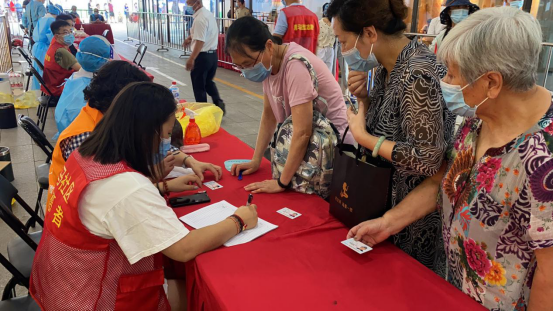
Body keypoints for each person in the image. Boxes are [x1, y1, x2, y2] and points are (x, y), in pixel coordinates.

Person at [349, 7, 553, 311]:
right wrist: (388, 223)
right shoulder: (480, 117)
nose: (444, 81)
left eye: (453, 74)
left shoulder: (542, 159)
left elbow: (549, 275)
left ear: (492, 84)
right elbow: (444, 178)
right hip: (458, 291)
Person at [31, 81, 259, 311]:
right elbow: (183, 249)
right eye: (168, 133)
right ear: (148, 130)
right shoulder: (127, 187)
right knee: (184, 277)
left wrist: (160, 187)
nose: (168, 143)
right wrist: (239, 220)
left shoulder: (87, 153)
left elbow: (108, 207)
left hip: (66, 280)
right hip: (92, 297)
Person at [328, 0, 456, 275]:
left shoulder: (417, 73)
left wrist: (364, 138)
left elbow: (428, 158)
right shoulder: (389, 65)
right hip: (385, 205)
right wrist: (365, 100)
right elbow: (393, 125)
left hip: (411, 217)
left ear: (370, 33)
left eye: (345, 41)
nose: (345, 50)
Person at [226, 17, 353, 195]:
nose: (246, 71)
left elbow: (302, 132)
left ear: (269, 46)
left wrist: (281, 183)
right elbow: (269, 115)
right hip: (311, 150)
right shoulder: (269, 65)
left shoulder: (295, 66)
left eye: (248, 64)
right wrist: (256, 159)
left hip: (334, 150)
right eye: (240, 66)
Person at [54, 35, 112, 136]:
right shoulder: (95, 88)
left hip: (66, 131)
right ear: (102, 60)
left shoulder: (76, 77)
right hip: (82, 137)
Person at [184, 0, 226, 114]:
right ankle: (218, 102)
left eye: (189, 3)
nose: (188, 6)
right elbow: (204, 34)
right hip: (212, 56)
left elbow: (200, 41)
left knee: (199, 87)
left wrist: (192, 58)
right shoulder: (208, 14)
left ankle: (203, 112)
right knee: (208, 82)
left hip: (202, 57)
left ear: (197, 3)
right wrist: (190, 38)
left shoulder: (200, 19)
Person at [42, 20, 81, 97]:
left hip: (52, 84)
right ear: (56, 36)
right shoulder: (61, 51)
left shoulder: (54, 45)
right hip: (59, 87)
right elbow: (81, 69)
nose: (70, 35)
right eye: (66, 33)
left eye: (70, 31)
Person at [30, 3, 63, 90]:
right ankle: (45, 89)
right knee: (44, 71)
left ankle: (38, 89)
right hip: (44, 48)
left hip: (37, 47)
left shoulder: (42, 19)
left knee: (38, 69)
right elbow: (52, 37)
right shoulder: (51, 21)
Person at [316, 3, 335, 73]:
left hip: (330, 49)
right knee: (319, 71)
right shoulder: (319, 23)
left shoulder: (334, 24)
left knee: (328, 72)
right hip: (321, 49)